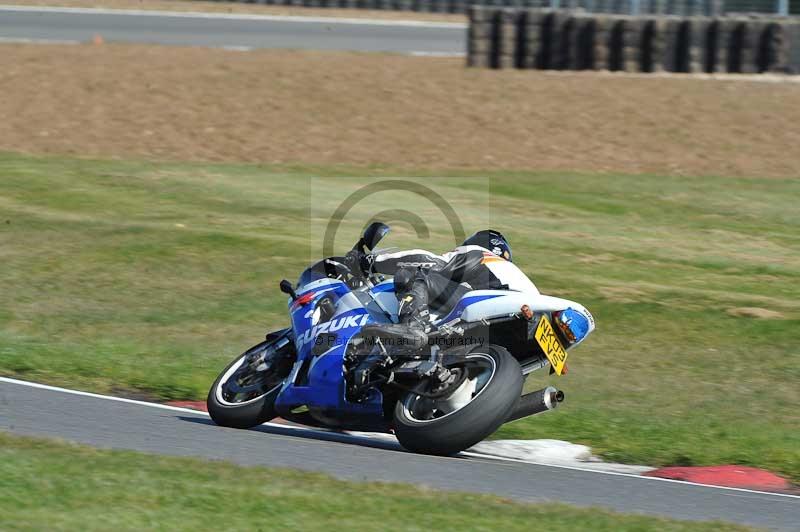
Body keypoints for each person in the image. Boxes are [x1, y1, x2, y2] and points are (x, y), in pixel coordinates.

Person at [369, 229, 536, 333]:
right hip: (528, 322)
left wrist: (372, 262)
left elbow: (433, 263)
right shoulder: (517, 277)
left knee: (413, 273)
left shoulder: (480, 252)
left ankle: (412, 328)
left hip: (502, 309)